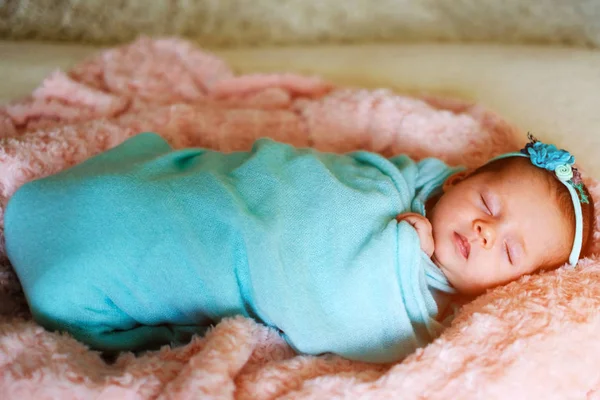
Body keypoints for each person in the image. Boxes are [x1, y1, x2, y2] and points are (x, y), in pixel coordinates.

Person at [4, 132, 594, 363]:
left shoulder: (426, 314)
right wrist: (400, 227)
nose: (488, 232)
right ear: (459, 181)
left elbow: (339, 307)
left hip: (201, 259)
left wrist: (400, 257)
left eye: (510, 253)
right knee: (195, 197)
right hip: (222, 197)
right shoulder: (389, 184)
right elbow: (291, 195)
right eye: (489, 205)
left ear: (512, 290)